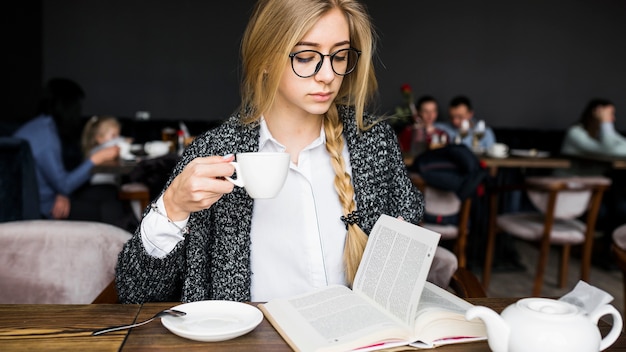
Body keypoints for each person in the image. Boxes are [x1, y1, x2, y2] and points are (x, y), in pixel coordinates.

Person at [116, 0, 457, 304]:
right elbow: (136, 293)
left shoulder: (374, 142)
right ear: (264, 60)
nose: (328, 75)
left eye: (339, 56)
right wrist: (172, 208)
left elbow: (407, 222)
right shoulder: (213, 153)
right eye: (306, 57)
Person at [12, 78, 120, 221]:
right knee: (110, 208)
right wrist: (96, 159)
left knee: (110, 193)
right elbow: (65, 185)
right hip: (44, 209)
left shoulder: (41, 126)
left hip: (50, 197)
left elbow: (58, 180)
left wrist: (62, 193)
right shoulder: (46, 136)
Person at [560, 98, 626, 269]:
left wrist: (606, 129)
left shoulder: (601, 137)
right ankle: (608, 253)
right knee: (615, 205)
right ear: (596, 112)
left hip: (594, 191)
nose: (613, 119)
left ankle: (611, 253)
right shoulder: (576, 133)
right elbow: (609, 151)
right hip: (569, 191)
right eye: (610, 114)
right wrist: (605, 125)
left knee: (617, 202)